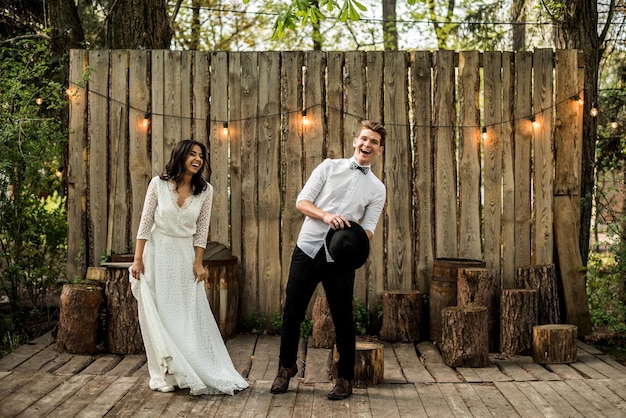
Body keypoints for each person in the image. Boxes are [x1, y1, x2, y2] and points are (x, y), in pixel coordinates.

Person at [271, 120, 387, 400]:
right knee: (293, 312)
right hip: (308, 248)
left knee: (343, 318)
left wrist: (349, 239)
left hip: (341, 258)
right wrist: (325, 216)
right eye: (363, 139)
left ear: (379, 150)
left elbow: (368, 229)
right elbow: (302, 202)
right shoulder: (328, 167)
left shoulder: (377, 188)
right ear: (354, 142)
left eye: (373, 142)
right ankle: (286, 368)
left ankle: (345, 377)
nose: (367, 144)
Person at [129, 139, 249, 396]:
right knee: (157, 313)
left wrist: (198, 262)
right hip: (157, 253)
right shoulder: (158, 184)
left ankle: (189, 367)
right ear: (181, 156)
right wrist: (138, 259)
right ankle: (162, 374)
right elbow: (144, 222)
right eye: (192, 154)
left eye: (201, 156)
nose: (198, 159)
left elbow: (202, 231)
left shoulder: (205, 190)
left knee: (184, 314)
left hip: (183, 255)